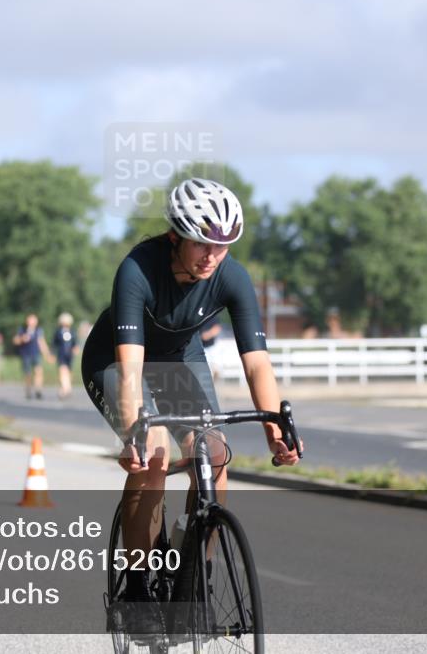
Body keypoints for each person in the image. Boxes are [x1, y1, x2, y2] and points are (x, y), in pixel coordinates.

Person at [81, 177, 301, 607]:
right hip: (117, 360)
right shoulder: (137, 270)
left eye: (222, 246)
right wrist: (134, 435)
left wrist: (274, 427)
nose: (212, 256)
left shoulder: (232, 276)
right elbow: (130, 369)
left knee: (215, 451)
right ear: (175, 236)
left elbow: (256, 362)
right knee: (154, 454)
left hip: (178, 359)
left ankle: (195, 576)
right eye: (202, 243)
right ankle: (139, 583)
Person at [13, 314, 52, 399]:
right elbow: (15, 341)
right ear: (27, 321)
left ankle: (38, 390)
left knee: (38, 372)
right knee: (28, 374)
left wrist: (47, 355)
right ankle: (28, 389)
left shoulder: (38, 330)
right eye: (30, 320)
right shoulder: (22, 330)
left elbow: (42, 343)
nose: (32, 322)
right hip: (26, 355)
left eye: (34, 320)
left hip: (36, 354)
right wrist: (22, 339)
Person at [52, 313, 79, 399]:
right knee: (62, 371)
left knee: (68, 372)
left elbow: (75, 343)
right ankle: (66, 388)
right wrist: (52, 354)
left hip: (69, 355)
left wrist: (75, 349)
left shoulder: (72, 332)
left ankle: (64, 389)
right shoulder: (58, 332)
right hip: (61, 354)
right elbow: (54, 344)